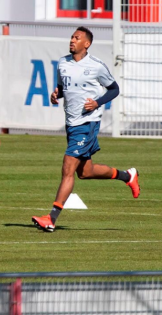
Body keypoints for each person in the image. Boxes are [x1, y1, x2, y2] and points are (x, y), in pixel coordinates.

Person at [32, 26, 139, 232]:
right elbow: (64, 87)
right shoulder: (63, 63)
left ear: (86, 44)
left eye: (77, 38)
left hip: (87, 123)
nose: (72, 40)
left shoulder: (97, 66)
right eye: (71, 37)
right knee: (85, 172)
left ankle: (51, 219)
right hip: (71, 123)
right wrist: (57, 95)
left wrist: (97, 103)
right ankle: (127, 176)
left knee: (68, 168)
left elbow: (114, 89)